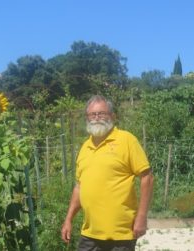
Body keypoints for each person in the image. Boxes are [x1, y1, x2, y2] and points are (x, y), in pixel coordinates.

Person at [61, 95, 154, 251]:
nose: (96, 118)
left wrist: (142, 217)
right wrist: (68, 219)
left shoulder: (126, 140)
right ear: (87, 118)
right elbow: (79, 187)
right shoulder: (85, 147)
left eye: (102, 113)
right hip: (90, 233)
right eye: (92, 114)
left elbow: (147, 178)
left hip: (120, 235)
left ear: (113, 116)